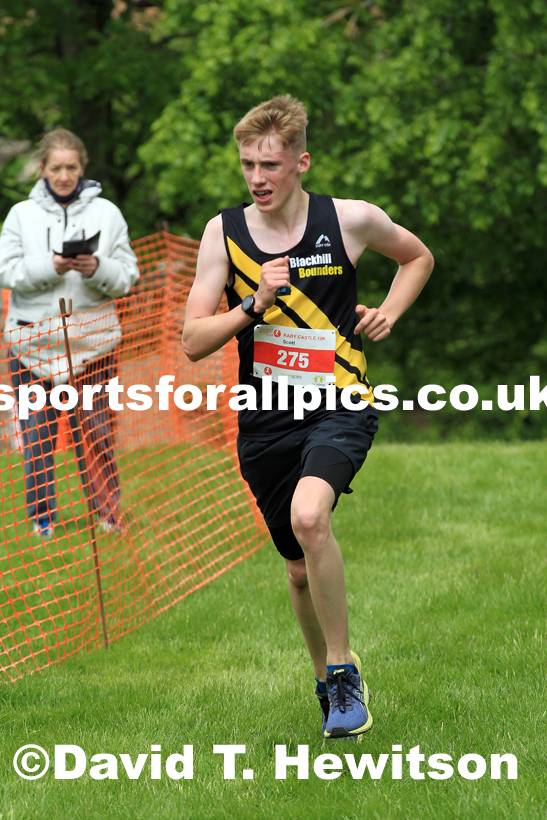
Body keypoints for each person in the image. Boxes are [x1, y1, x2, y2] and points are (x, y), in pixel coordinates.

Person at [182, 95, 434, 739]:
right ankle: (326, 681)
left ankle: (345, 674)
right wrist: (254, 304)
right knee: (296, 567)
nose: (257, 178)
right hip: (266, 418)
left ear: (301, 162)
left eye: (269, 164)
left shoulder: (349, 220)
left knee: (310, 515)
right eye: (247, 164)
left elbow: (417, 257)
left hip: (339, 402)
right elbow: (193, 340)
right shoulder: (224, 233)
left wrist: (389, 312)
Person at [0, 129, 139, 539]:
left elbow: (128, 275)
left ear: (83, 168)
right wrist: (52, 267)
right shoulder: (20, 215)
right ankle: (42, 518)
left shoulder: (108, 214)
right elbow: (6, 271)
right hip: (31, 349)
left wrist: (97, 269)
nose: (64, 175)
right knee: (37, 436)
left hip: (94, 349)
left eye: (71, 167)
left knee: (97, 433)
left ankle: (107, 514)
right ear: (43, 168)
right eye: (56, 167)